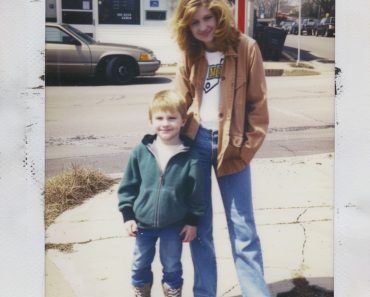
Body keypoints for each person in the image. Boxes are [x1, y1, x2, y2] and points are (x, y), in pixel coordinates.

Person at [172, 1, 270, 296]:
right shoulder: (190, 52)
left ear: (219, 16)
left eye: (207, 18)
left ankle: (256, 292)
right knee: (199, 230)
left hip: (234, 146)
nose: (203, 27)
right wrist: (166, 136)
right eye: (194, 22)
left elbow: (259, 106)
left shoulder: (246, 47)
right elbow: (178, 100)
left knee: (243, 228)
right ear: (186, 26)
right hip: (197, 144)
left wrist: (245, 150)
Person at [117, 89, 205, 297]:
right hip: (142, 224)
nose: (165, 123)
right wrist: (128, 216)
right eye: (159, 118)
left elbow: (197, 194)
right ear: (150, 121)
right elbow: (128, 186)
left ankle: (172, 292)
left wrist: (192, 221)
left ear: (183, 121)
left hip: (173, 225)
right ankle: (141, 290)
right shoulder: (140, 152)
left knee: (172, 265)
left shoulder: (190, 156)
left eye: (172, 118)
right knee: (139, 264)